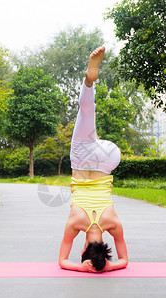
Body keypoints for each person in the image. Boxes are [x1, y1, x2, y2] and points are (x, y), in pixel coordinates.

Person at [58, 46, 128, 273]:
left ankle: (90, 82)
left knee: (89, 117)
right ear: (83, 252)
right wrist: (83, 268)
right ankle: (89, 81)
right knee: (86, 112)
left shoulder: (113, 224)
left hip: (109, 158)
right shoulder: (74, 223)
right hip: (81, 159)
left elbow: (124, 261)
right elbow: (63, 262)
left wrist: (107, 267)